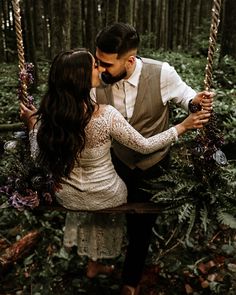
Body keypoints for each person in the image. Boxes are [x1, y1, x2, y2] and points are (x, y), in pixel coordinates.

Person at [20, 49, 211, 288]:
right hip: (108, 196)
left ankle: (95, 263)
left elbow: (37, 158)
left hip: (66, 196)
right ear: (80, 78)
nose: (99, 69)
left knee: (89, 179)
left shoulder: (49, 116)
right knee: (121, 181)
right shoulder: (106, 115)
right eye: (94, 66)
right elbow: (144, 146)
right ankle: (119, 267)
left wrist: (31, 126)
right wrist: (182, 127)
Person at [94, 23, 214, 295]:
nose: (100, 69)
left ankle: (130, 282)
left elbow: (187, 99)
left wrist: (197, 102)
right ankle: (100, 262)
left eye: (107, 64)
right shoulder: (96, 80)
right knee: (104, 216)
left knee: (140, 226)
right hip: (115, 162)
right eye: (98, 60)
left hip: (155, 164)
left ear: (131, 60)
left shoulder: (162, 73)